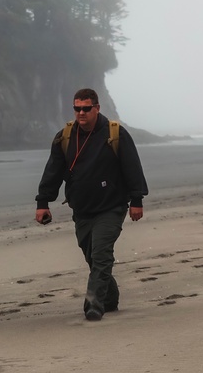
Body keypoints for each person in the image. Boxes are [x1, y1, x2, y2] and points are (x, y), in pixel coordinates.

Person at [35, 88, 149, 321]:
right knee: (92, 257)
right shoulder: (64, 137)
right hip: (82, 209)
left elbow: (132, 167)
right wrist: (43, 202)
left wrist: (137, 200)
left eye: (86, 108)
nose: (81, 113)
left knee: (101, 253)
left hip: (112, 206)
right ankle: (110, 298)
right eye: (77, 108)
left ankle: (94, 303)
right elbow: (53, 172)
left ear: (97, 108)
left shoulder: (115, 134)